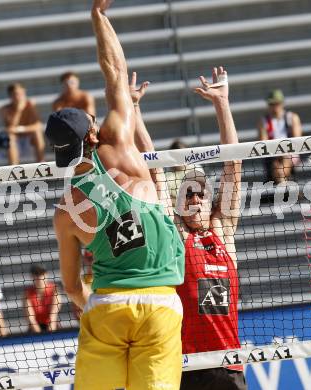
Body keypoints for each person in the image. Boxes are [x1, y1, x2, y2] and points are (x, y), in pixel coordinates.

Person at [46, 1, 184, 389]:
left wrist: (96, 302)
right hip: (159, 302)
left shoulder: (66, 210)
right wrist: (98, 17)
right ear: (92, 134)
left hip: (107, 303)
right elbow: (116, 72)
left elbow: (72, 287)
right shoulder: (121, 146)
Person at [133, 66, 245, 389]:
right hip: (186, 366)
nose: (195, 197)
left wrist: (222, 103)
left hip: (228, 363)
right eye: (188, 193)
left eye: (201, 192)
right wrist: (135, 109)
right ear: (179, 204)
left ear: (211, 201)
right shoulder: (176, 235)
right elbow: (152, 167)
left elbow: (233, 164)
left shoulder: (224, 231)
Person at [257, 89, 302, 183]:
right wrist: (276, 153)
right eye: (271, 104)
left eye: (276, 104)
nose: (274, 107)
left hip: (290, 153)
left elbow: (297, 141)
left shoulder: (292, 118)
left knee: (282, 166)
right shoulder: (263, 121)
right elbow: (263, 143)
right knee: (277, 167)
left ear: (282, 103)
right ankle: (282, 189)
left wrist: (284, 153)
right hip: (272, 155)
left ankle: (283, 189)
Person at [0, 83, 45, 165]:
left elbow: (38, 126)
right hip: (15, 143)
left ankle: (41, 164)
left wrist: (20, 129)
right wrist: (18, 110)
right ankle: (13, 168)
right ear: (11, 96)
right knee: (10, 137)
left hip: (29, 141)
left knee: (37, 133)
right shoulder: (5, 109)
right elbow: (10, 128)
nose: (20, 96)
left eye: (22, 93)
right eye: (17, 94)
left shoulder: (30, 106)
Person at [24, 265, 61, 333]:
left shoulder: (54, 289)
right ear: (32, 276)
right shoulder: (27, 293)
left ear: (46, 275)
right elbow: (31, 319)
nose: (39, 277)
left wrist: (50, 335)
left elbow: (53, 315)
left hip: (52, 326)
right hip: (34, 329)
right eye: (36, 274)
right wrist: (40, 336)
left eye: (41, 273)